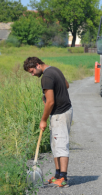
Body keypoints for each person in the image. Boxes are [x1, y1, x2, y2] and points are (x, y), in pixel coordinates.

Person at [23, 57, 73, 188]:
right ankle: (57, 175)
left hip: (60, 114)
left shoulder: (46, 77)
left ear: (38, 65)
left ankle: (63, 178)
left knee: (61, 145)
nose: (32, 74)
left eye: (32, 71)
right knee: (55, 144)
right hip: (64, 111)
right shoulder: (55, 70)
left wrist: (43, 120)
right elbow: (66, 85)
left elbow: (50, 102)